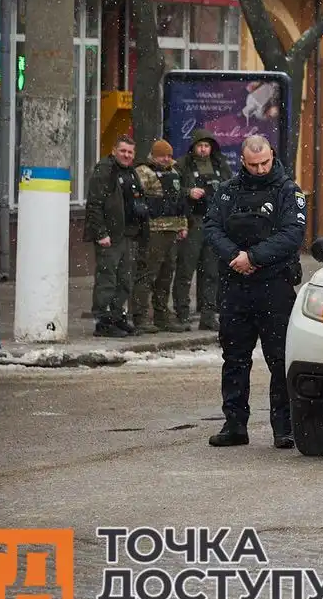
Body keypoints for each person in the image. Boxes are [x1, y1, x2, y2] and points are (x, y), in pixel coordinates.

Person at [204, 135, 306, 449]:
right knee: (234, 358)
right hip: (236, 285)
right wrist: (236, 256)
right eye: (253, 164)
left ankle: (284, 427)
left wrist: (254, 257)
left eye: (264, 163)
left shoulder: (288, 190)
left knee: (280, 360)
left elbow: (292, 234)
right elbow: (211, 227)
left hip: (274, 285)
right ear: (243, 161)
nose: (260, 169)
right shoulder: (228, 191)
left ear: (272, 156)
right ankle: (234, 425)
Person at [84, 135, 147, 338]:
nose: (126, 155)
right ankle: (103, 321)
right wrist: (101, 233)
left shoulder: (131, 172)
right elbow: (94, 205)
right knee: (107, 279)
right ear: (114, 151)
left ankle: (118, 317)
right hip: (109, 236)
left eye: (130, 152)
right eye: (123, 151)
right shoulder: (105, 170)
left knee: (124, 280)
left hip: (128, 235)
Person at [174, 129, 232, 331]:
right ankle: (181, 313)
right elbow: (171, 190)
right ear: (193, 146)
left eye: (207, 146)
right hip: (192, 222)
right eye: (200, 145)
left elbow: (231, 188)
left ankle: (208, 315)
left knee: (211, 272)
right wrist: (188, 192)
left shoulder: (220, 164)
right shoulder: (182, 165)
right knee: (185, 269)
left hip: (214, 223)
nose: (203, 149)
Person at [131, 140, 191, 333]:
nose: (166, 159)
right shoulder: (143, 172)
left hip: (172, 230)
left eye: (168, 155)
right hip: (153, 229)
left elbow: (179, 201)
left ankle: (162, 315)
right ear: (154, 155)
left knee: (166, 275)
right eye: (162, 155)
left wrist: (182, 225)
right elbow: (137, 199)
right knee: (148, 273)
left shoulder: (174, 173)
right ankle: (140, 317)